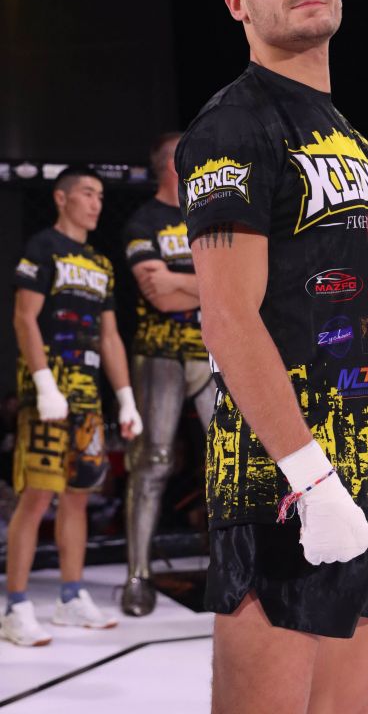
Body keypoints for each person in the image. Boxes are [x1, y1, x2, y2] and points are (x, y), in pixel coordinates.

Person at [174, 0, 368, 714]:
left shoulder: (351, 140)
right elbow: (227, 318)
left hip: (364, 460)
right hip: (280, 476)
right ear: (239, 3)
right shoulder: (233, 126)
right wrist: (310, 477)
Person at [1, 166, 142, 647]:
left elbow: (110, 336)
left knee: (80, 492)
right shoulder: (42, 247)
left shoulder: (101, 264)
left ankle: (71, 596)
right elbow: (24, 319)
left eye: (101, 194)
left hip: (87, 394)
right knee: (38, 494)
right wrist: (43, 384)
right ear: (62, 198)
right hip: (47, 392)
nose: (97, 202)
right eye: (87, 193)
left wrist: (125, 398)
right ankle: (16, 606)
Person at [121, 133, 215, 617]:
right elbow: (158, 297)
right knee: (153, 461)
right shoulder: (144, 222)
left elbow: (245, 286)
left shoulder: (212, 216)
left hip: (212, 350)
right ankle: (138, 574)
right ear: (174, 166)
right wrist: (210, 286)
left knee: (228, 458)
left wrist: (179, 281)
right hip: (159, 352)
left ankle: (232, 563)